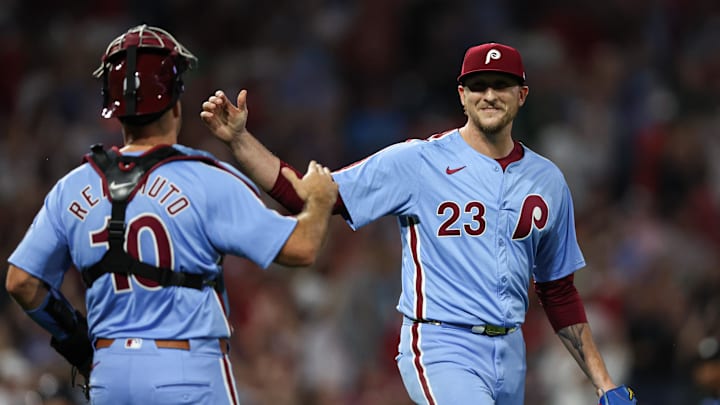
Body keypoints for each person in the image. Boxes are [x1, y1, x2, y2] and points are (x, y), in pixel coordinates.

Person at [201, 42, 639, 405]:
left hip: (511, 350)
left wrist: (604, 383)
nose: (489, 94)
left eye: (501, 85)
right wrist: (241, 142)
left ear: (522, 95)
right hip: (442, 344)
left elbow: (558, 292)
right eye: (478, 85)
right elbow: (311, 193)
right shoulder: (419, 162)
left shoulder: (548, 180)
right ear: (462, 95)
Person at [5, 24, 337, 404]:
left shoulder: (72, 186)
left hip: (109, 375)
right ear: (176, 101)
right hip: (187, 369)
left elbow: (21, 282)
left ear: (113, 110)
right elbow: (302, 249)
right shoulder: (204, 177)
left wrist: (78, 344)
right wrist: (320, 202)